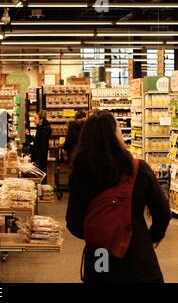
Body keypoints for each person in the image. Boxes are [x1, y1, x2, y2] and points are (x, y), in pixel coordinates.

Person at [66, 110, 171, 283]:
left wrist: (100, 233)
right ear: (116, 136)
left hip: (101, 257)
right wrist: (151, 237)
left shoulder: (79, 173)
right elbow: (162, 212)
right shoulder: (138, 169)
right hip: (137, 256)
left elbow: (74, 222)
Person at [28, 111, 52, 180]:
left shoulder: (44, 130)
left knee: (40, 177)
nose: (34, 120)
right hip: (38, 159)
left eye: (35, 118)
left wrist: (37, 161)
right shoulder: (40, 128)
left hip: (40, 160)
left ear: (41, 120)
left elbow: (42, 147)